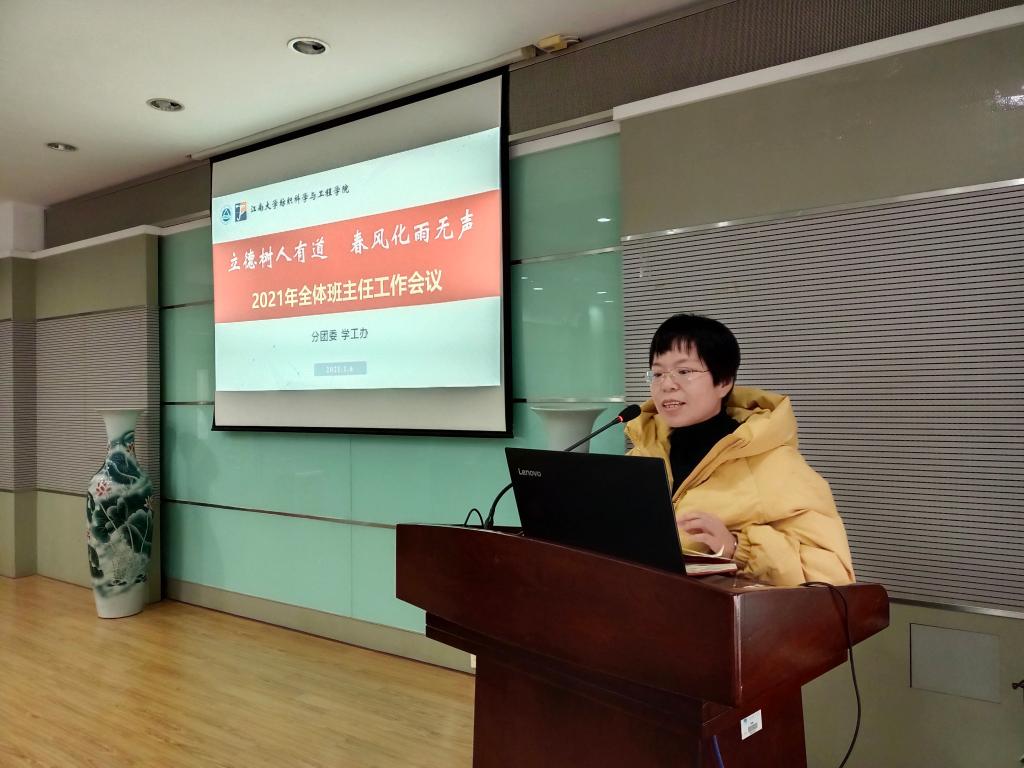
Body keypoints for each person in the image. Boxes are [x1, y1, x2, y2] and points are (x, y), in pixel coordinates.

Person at [625, 313, 854, 586]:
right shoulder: (642, 453)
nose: (666, 384)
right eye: (657, 373)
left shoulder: (775, 465)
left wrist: (738, 549)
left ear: (724, 381)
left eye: (684, 372)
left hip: (712, 610)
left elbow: (834, 575)